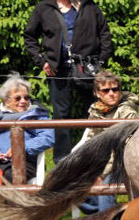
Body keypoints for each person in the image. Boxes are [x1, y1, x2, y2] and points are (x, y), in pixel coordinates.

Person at [24, 0, 112, 163]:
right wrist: (42, 61)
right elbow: (30, 37)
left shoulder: (89, 6)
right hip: (58, 69)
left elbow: (105, 34)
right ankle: (62, 162)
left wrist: (100, 61)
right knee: (61, 116)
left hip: (86, 69)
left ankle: (96, 158)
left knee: (94, 112)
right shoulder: (44, 8)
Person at [84, 71, 139, 220]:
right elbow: (91, 142)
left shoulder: (127, 111)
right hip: (103, 164)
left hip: (123, 163)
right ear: (97, 93)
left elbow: (120, 148)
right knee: (76, 188)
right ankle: (118, 214)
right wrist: (89, 170)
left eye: (115, 89)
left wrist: (101, 173)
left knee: (105, 190)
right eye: (106, 90)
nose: (111, 93)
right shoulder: (95, 111)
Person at [0, 73, 54, 183]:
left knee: (9, 174)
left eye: (26, 97)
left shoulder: (37, 114)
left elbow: (48, 137)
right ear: (6, 100)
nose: (23, 101)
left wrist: (21, 148)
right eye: (17, 98)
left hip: (25, 161)